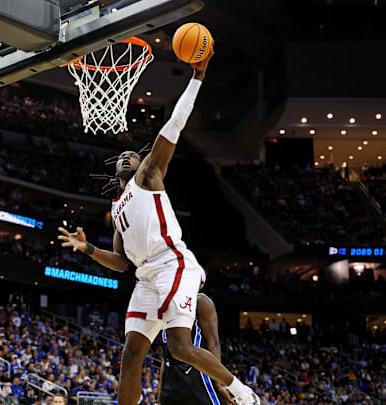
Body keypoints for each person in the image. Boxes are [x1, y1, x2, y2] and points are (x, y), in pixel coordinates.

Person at [58, 48, 258, 405]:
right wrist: (87, 249)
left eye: (133, 155)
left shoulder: (148, 177)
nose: (126, 156)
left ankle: (242, 392)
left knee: (179, 346)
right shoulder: (117, 207)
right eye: (123, 156)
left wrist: (197, 78)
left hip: (174, 265)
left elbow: (174, 126)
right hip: (147, 276)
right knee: (132, 353)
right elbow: (121, 262)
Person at [160, 294, 228, 405]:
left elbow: (214, 343)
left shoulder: (200, 300)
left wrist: (217, 382)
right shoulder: (166, 303)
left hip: (195, 369)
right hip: (170, 373)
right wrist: (160, 393)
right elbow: (165, 355)